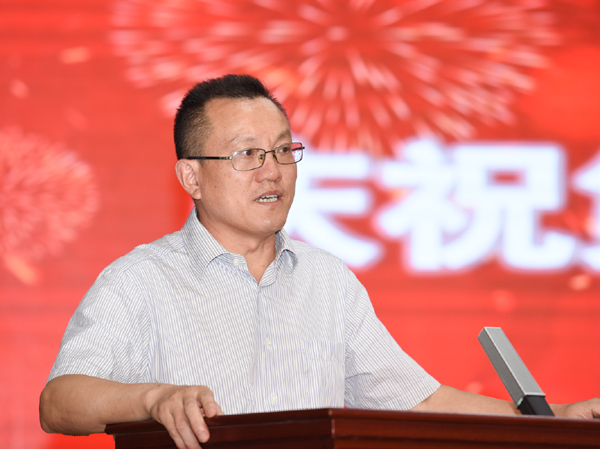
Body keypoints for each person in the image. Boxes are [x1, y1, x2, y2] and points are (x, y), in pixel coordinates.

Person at [39, 74, 600, 449]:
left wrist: (550, 420)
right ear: (192, 176)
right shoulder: (140, 279)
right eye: (246, 154)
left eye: (284, 150)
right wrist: (153, 398)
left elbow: (419, 400)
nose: (272, 171)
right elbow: (59, 402)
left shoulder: (328, 281)